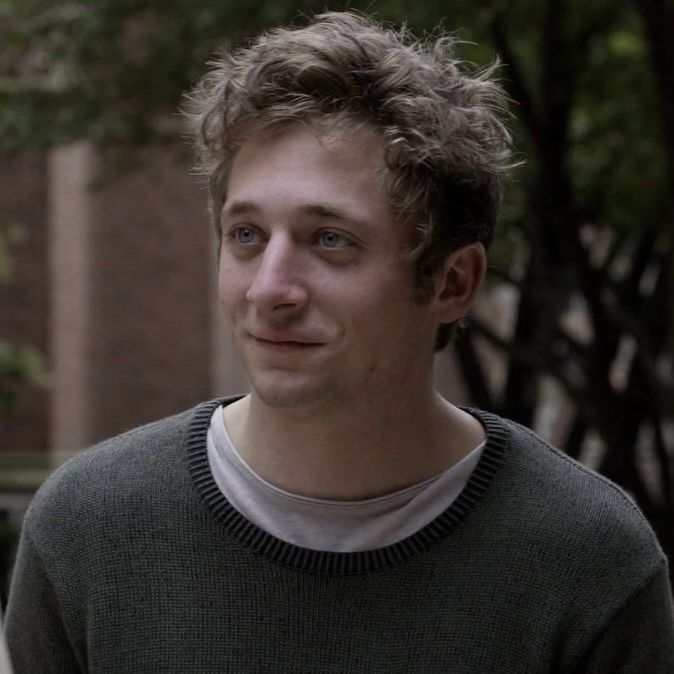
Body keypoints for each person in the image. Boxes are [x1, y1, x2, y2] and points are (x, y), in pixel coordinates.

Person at [4, 11, 674, 673]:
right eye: (247, 235)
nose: (270, 289)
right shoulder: (88, 528)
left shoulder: (589, 561)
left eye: (331, 240)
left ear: (452, 282)